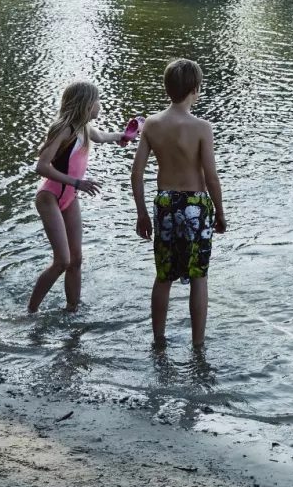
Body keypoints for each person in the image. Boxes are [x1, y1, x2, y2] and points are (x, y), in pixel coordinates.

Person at [132, 58, 228, 348]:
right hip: (196, 206)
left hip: (164, 204)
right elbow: (211, 178)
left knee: (164, 276)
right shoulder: (202, 128)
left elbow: (136, 173)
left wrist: (142, 214)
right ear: (196, 90)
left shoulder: (152, 124)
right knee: (198, 276)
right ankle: (198, 344)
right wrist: (220, 214)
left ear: (166, 89)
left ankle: (158, 340)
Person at [27, 81, 131, 314]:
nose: (100, 105)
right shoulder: (64, 129)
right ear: (85, 104)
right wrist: (77, 183)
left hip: (70, 197)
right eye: (97, 101)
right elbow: (41, 166)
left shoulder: (84, 128)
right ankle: (30, 312)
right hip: (50, 196)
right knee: (62, 261)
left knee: (76, 259)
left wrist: (122, 136)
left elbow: (102, 136)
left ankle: (73, 310)